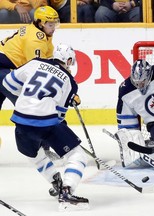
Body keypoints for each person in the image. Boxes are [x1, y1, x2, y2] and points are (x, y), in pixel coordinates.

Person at [2, 43, 89, 210]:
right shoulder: (69, 81)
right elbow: (59, 115)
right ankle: (67, 192)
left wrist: (29, 98)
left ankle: (56, 181)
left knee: (34, 154)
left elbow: (8, 83)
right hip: (45, 122)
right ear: (69, 60)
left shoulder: (35, 62)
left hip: (20, 119)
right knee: (77, 155)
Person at [0, 5, 59, 109]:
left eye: (55, 24)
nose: (53, 28)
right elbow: (37, 70)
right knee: (26, 106)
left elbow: (48, 60)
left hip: (5, 67)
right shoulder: (35, 40)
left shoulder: (41, 32)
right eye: (51, 25)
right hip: (3, 69)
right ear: (41, 23)